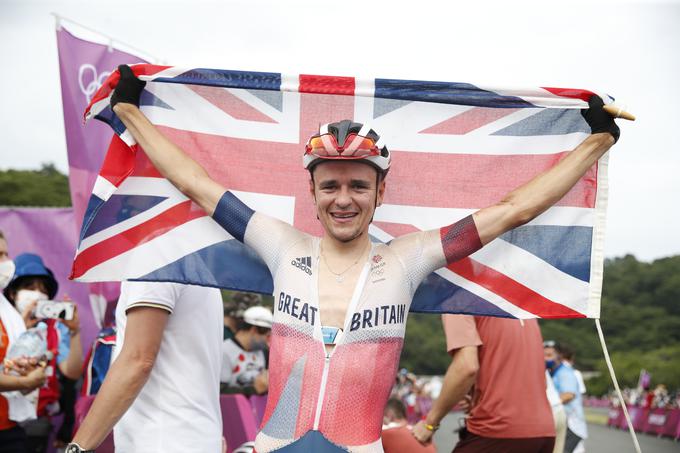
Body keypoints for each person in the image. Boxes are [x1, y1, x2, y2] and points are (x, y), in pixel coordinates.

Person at [106, 64, 619, 452]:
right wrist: (129, 111)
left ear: (380, 192)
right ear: (312, 192)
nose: (343, 198)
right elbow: (195, 182)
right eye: (329, 185)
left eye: (358, 185)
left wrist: (595, 141)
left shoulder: (408, 258)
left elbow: (512, 211)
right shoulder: (282, 246)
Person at [67, 280, 223, 453]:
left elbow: (138, 360)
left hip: (162, 440)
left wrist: (78, 448)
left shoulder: (153, 261)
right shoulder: (195, 269)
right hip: (188, 436)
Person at [413, 315, 556, 452]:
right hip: (544, 431)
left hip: (499, 429)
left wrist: (429, 423)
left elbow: (466, 367)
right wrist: (477, 394)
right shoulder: (519, 301)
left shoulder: (458, 297)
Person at [3, 253, 83, 453]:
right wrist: (21, 326)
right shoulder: (6, 324)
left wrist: (74, 331)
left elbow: (72, 372)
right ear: (12, 293)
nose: (37, 295)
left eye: (43, 290)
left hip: (38, 423)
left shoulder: (55, 329)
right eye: (30, 288)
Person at [0, 232, 47, 453]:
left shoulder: (8, 313)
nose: (6, 262)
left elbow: (8, 365)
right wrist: (25, 382)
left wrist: (25, 370)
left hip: (9, 427)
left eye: (6, 254)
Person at [544, 341, 588, 453]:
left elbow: (569, 394)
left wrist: (547, 404)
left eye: (549, 355)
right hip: (563, 423)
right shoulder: (553, 373)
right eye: (543, 355)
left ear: (559, 356)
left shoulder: (565, 373)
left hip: (572, 425)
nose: (545, 358)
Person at [221, 305, 271, 395]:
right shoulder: (224, 351)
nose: (268, 342)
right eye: (267, 336)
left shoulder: (263, 353)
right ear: (254, 330)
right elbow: (220, 391)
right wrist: (254, 390)